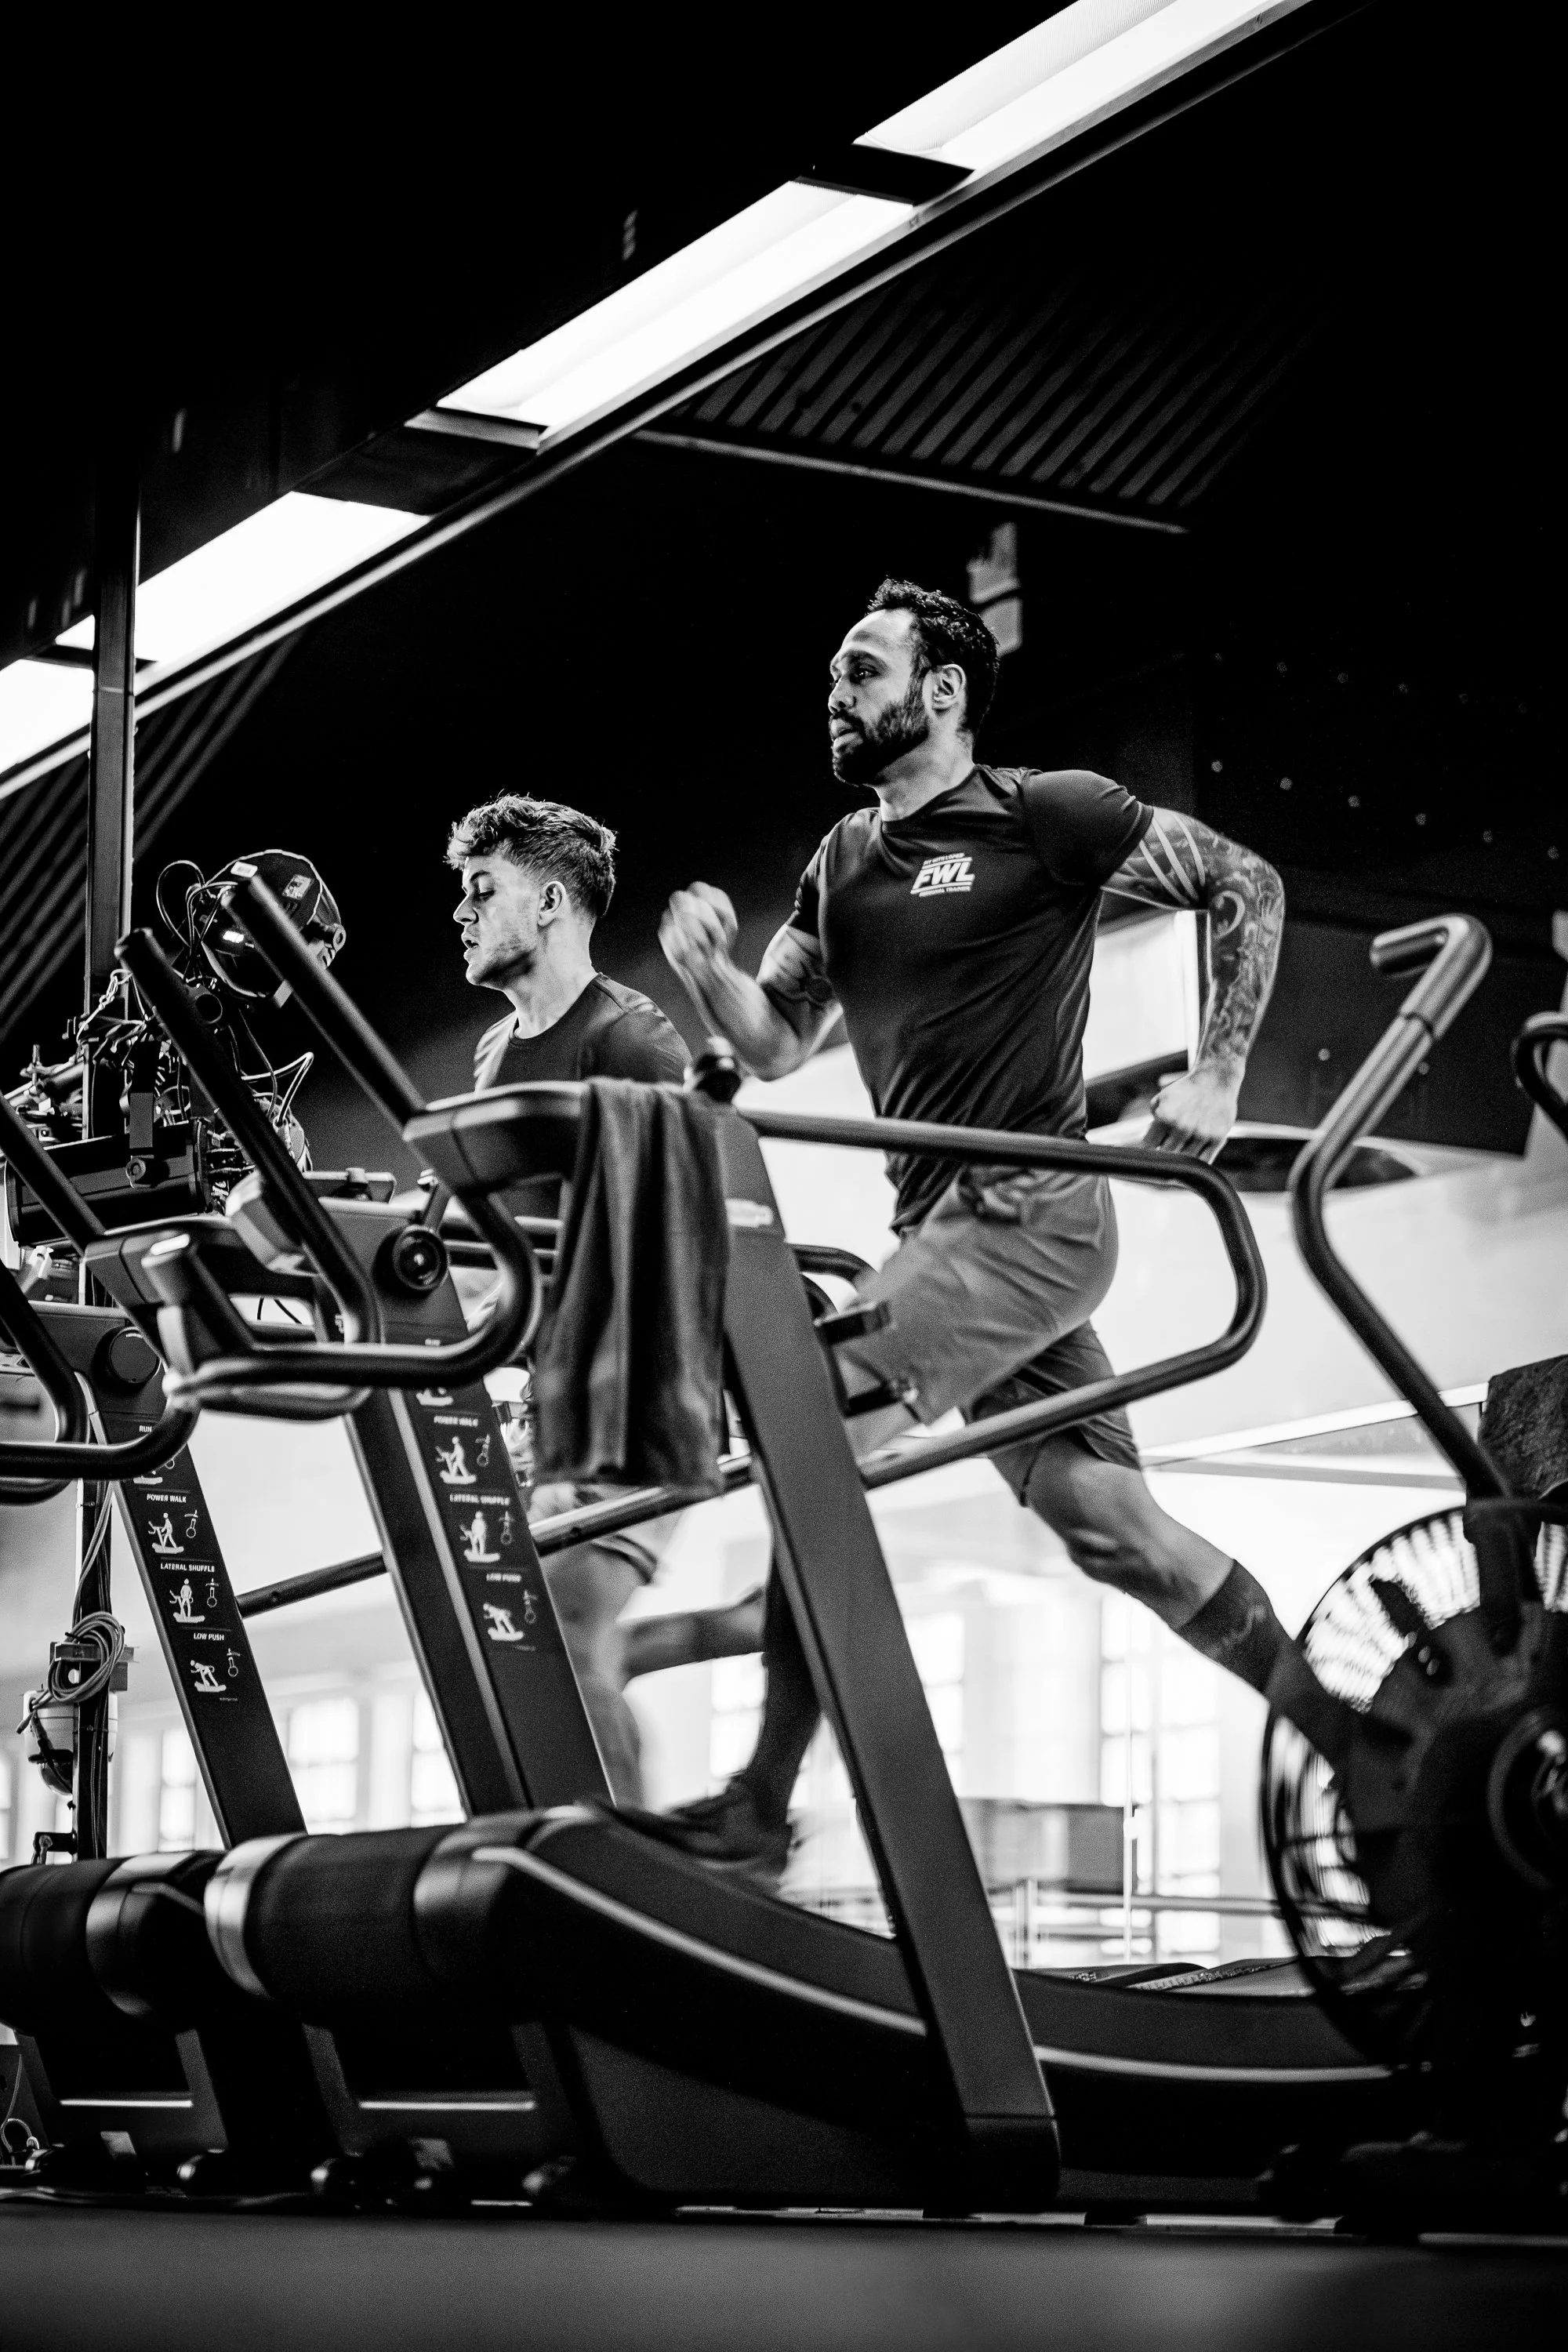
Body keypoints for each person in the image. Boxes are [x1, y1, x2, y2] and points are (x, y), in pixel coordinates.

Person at [650, 577, 1289, 1879]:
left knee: (805, 1420)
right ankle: (1372, 1744)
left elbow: (1246, 883)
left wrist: (1220, 1071)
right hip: (948, 1233)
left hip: (1031, 1215)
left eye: (864, 669)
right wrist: (711, 974)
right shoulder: (842, 860)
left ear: (940, 693)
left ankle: (760, 1803)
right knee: (1116, 1528)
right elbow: (774, 1045)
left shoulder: (1043, 811)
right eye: (835, 671)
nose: (839, 690)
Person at [448, 793, 760, 1798]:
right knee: (523, 1635)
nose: (461, 911)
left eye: (480, 889)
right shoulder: (497, 1054)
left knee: (560, 1628)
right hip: (538, 1394)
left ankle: (634, 1880)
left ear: (547, 901)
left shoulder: (630, 1040)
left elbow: (698, 1223)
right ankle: (746, 1627)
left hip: (631, 1382)